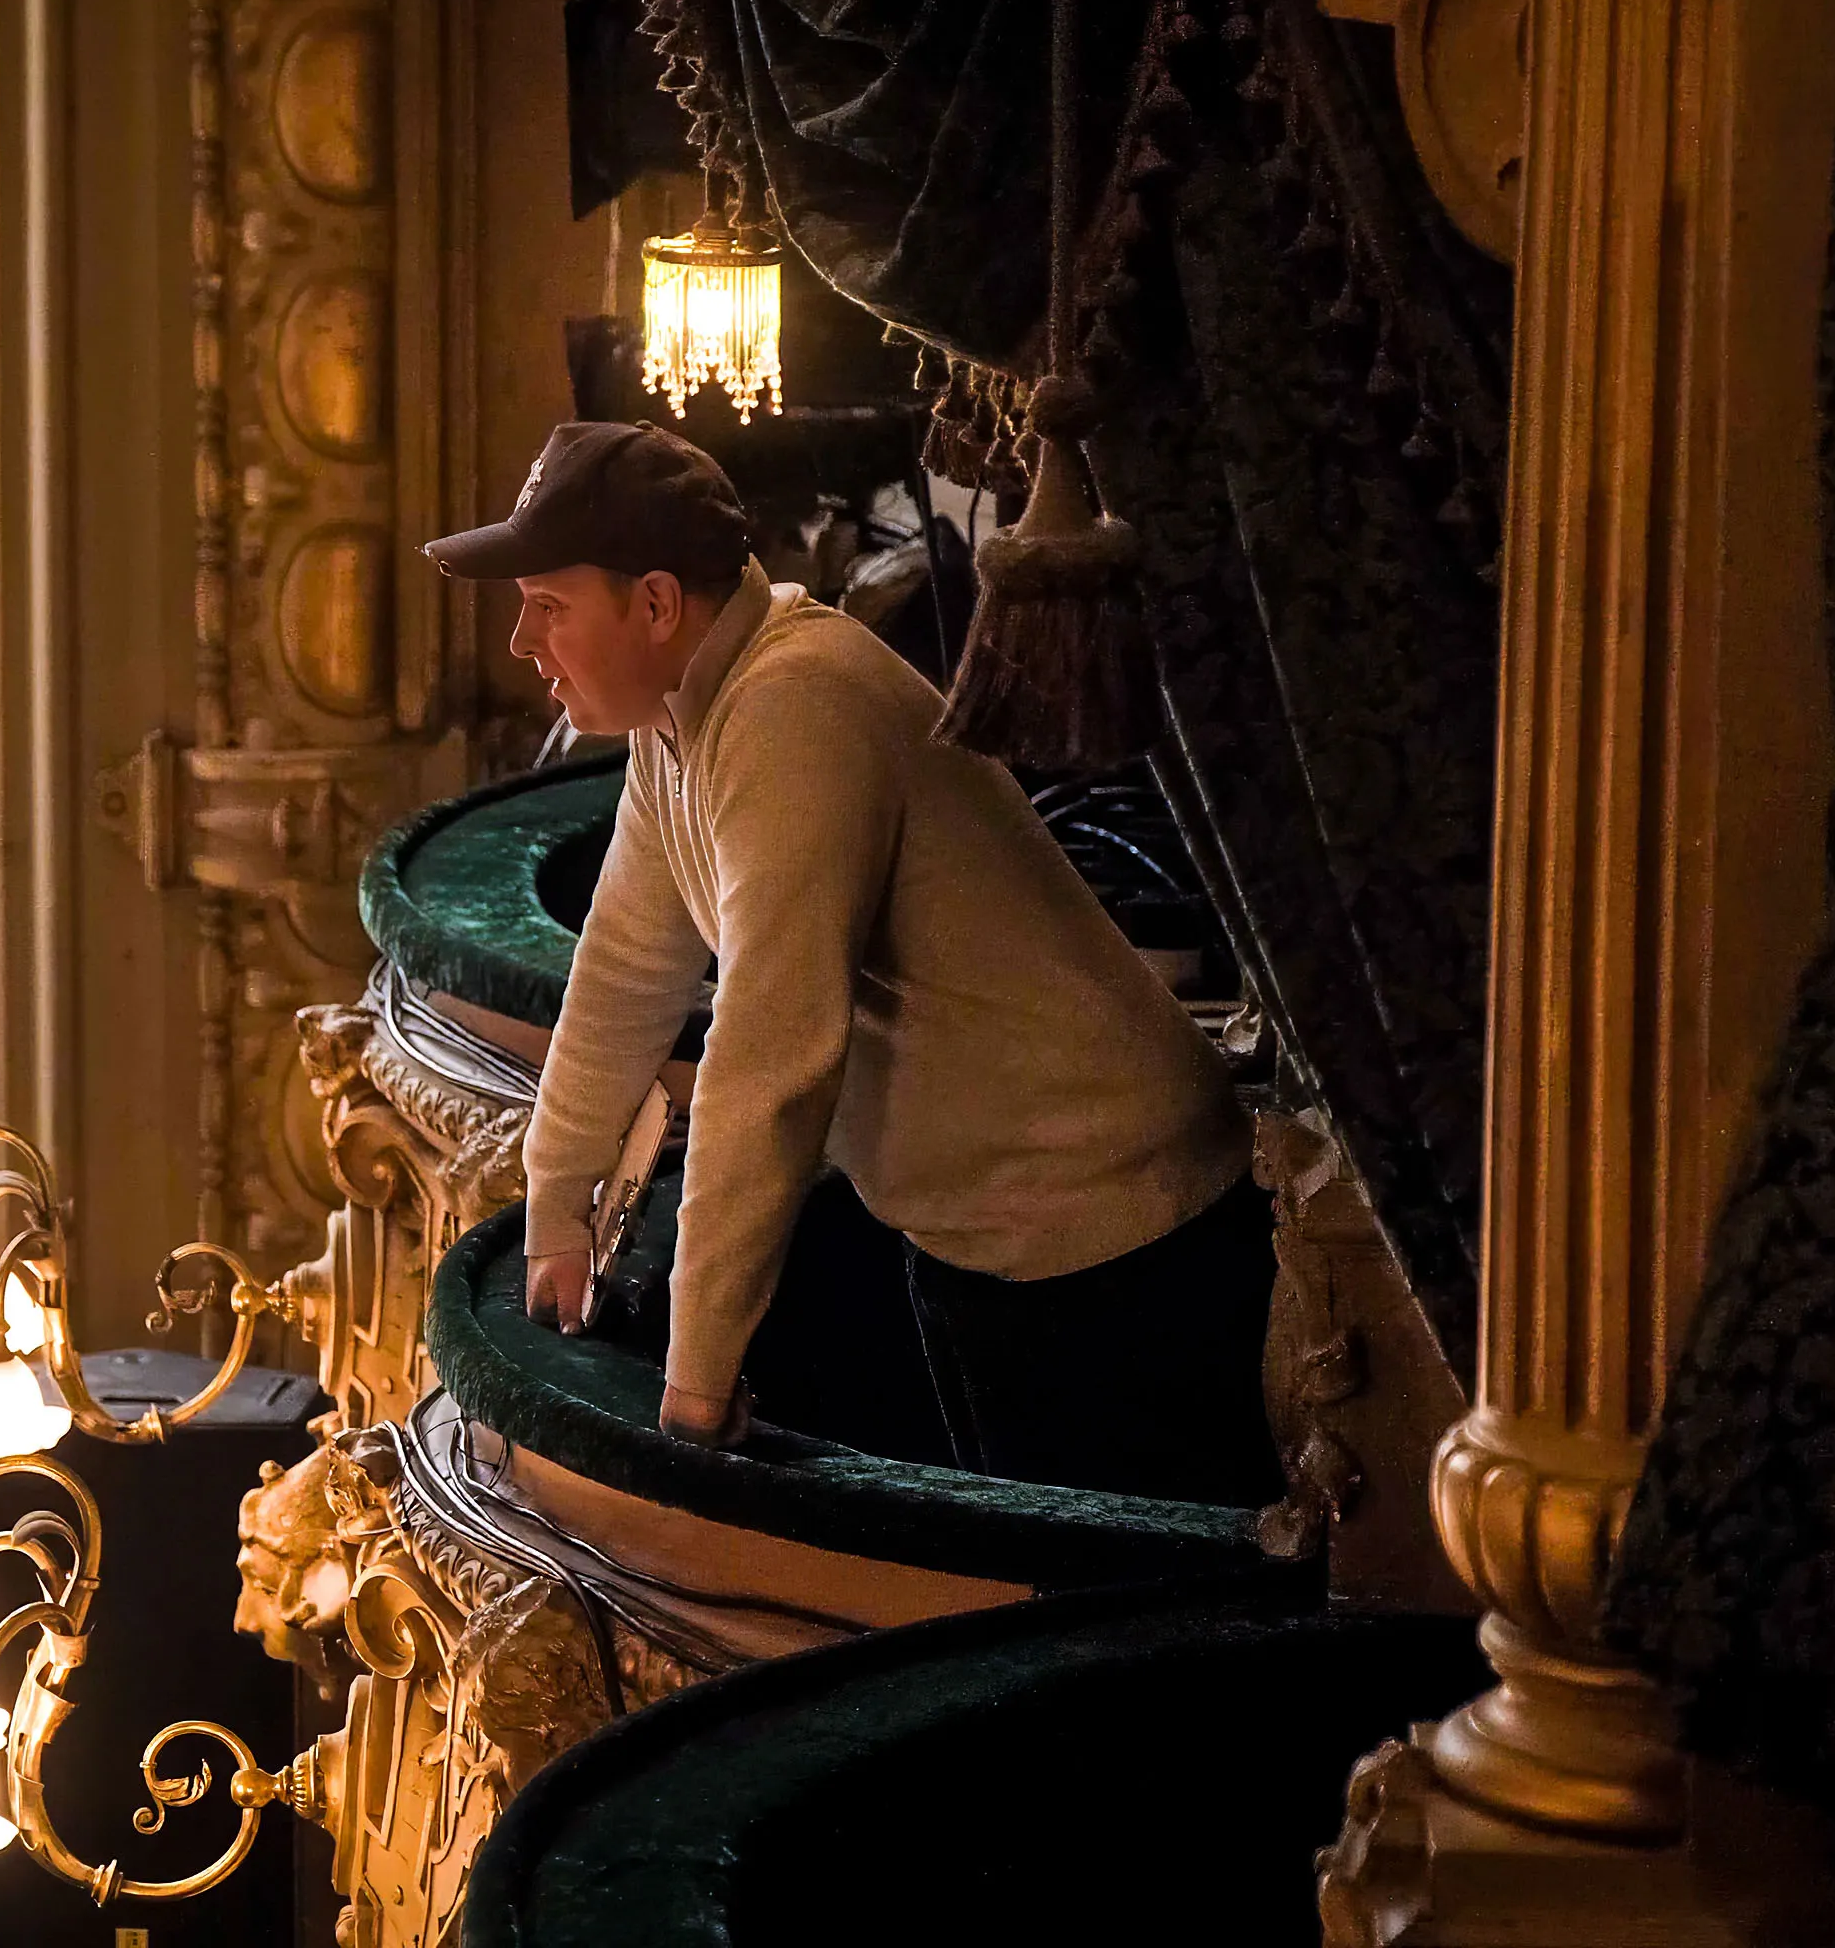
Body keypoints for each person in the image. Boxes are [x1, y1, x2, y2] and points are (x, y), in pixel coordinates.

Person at [422, 420, 1278, 1508]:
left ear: (653, 605)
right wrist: (555, 1213)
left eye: (548, 607)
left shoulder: (793, 705)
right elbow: (625, 970)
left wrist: (695, 1380)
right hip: (993, 1243)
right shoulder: (678, 722)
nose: (520, 644)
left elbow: (771, 1066)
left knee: (1120, 1625)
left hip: (1116, 1247)